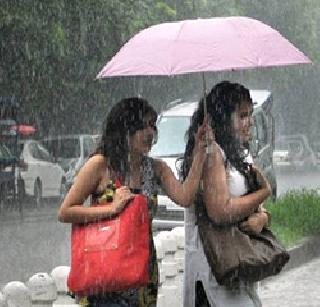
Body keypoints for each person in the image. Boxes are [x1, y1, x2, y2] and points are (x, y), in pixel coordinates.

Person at [58, 97, 208, 307]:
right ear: (123, 131)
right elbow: (65, 211)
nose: (149, 133)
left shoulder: (156, 168)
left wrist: (200, 151)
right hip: (105, 269)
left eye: (152, 126)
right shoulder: (100, 165)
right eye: (141, 127)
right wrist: (112, 208)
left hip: (141, 270)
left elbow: (185, 197)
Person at [182, 81, 272, 307]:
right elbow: (221, 211)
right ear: (223, 118)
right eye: (242, 116)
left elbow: (251, 207)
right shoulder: (211, 153)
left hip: (235, 266)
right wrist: (263, 192)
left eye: (250, 114)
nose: (249, 122)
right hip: (214, 268)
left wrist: (262, 218)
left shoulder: (237, 154)